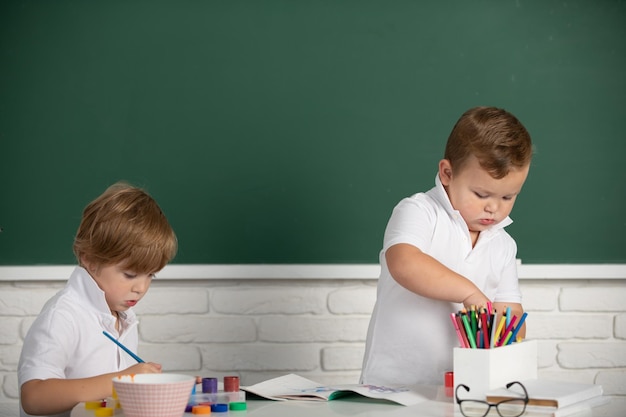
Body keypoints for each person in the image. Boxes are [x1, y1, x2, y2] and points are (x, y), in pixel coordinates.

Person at [360, 106, 532, 386]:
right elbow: (405, 263)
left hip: (465, 386)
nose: (493, 207)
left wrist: (507, 333)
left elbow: (510, 312)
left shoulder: (503, 244)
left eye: (508, 197)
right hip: (394, 384)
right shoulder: (419, 211)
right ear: (447, 173)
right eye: (481, 194)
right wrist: (470, 293)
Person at [18, 182, 177, 417]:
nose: (141, 288)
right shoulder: (63, 315)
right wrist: (123, 380)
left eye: (150, 275)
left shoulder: (122, 317)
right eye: (130, 274)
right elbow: (34, 397)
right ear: (90, 260)